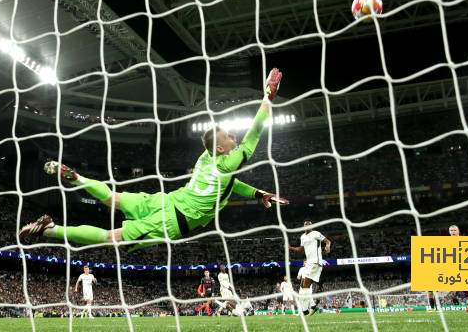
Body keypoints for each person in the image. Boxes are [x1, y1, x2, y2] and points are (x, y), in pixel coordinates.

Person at [19, 69, 287, 251]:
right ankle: (51, 230)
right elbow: (254, 136)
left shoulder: (205, 158)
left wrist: (257, 193)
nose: (234, 137)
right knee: (110, 238)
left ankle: (77, 178)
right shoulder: (228, 162)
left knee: (113, 198)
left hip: (167, 200)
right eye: (228, 136)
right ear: (219, 148)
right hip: (172, 220)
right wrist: (267, 98)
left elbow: (231, 184)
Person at [288, 220, 331, 316]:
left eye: (309, 225)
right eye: (305, 225)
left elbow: (327, 241)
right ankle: (309, 308)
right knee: (303, 285)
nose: (307, 226)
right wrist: (291, 248)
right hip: (308, 264)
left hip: (316, 262)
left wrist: (327, 246)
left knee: (306, 284)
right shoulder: (302, 237)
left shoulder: (316, 233)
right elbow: (301, 248)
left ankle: (308, 309)